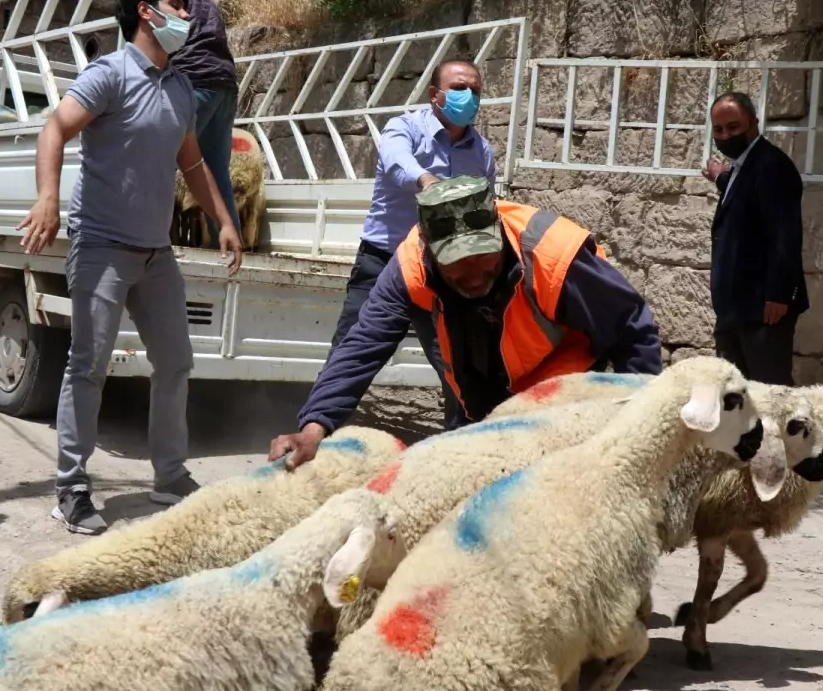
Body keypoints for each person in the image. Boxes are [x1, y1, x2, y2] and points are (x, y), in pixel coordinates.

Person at [18, 0, 244, 536]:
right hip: (100, 246)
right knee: (88, 366)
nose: (186, 19)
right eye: (177, 7)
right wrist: (47, 198)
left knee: (175, 362)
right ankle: (71, 486)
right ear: (146, 12)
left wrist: (223, 221)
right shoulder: (110, 74)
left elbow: (192, 163)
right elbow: (54, 129)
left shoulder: (181, 89)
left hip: (154, 253)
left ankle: (169, 474)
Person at [269, 176, 662, 470]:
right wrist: (315, 424)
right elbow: (362, 346)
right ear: (429, 250)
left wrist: (637, 433)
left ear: (499, 234)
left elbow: (632, 329)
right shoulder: (410, 266)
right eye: (456, 264)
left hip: (563, 396)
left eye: (481, 257)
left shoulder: (552, 256)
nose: (472, 274)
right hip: (484, 388)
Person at [329, 59, 496, 430]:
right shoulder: (404, 128)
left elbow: (487, 206)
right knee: (351, 353)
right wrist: (425, 180)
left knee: (457, 361)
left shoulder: (481, 152)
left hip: (439, 269)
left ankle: (460, 442)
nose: (468, 96)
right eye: (458, 88)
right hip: (383, 259)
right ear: (435, 95)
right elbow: (394, 161)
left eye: (475, 90)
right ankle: (321, 434)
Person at [137, 0, 242, 250]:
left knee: (162, 160)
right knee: (216, 170)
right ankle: (229, 246)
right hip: (225, 84)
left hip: (193, 83)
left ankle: (152, 242)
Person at [703, 91, 808, 386]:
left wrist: (778, 295)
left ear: (754, 124)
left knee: (768, 389)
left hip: (763, 308)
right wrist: (721, 178)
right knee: (736, 391)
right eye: (719, 130)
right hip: (735, 306)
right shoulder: (743, 166)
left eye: (734, 127)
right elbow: (748, 199)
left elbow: (784, 235)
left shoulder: (772, 166)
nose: (726, 135)